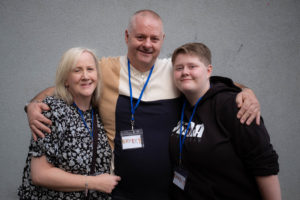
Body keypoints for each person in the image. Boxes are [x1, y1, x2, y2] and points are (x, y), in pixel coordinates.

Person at [25, 10, 261, 200]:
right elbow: (64, 86)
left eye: (154, 38)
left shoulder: (175, 71)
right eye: (140, 37)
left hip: (170, 191)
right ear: (127, 36)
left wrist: (245, 91)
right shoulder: (104, 69)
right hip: (117, 190)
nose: (147, 44)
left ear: (162, 40)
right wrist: (33, 105)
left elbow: (209, 83)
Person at [169, 42, 281, 200]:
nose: (185, 72)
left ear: (209, 70)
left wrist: (246, 90)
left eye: (192, 66)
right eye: (179, 68)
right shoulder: (179, 104)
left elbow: (263, 163)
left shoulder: (235, 106)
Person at [18, 47, 121, 200]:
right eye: (77, 70)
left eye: (90, 69)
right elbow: (40, 174)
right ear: (66, 79)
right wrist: (93, 182)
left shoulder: (98, 112)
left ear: (98, 76)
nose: (85, 76)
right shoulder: (52, 111)